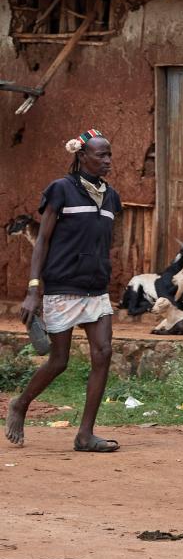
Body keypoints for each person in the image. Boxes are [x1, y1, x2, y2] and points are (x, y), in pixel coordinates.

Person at [4, 130, 122, 452]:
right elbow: (42, 241)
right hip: (63, 287)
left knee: (104, 352)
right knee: (59, 361)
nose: (108, 160)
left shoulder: (111, 197)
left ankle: (85, 435)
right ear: (82, 157)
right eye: (101, 155)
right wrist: (33, 289)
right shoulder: (61, 190)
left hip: (95, 289)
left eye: (109, 154)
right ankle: (21, 403)